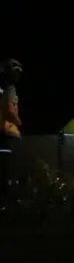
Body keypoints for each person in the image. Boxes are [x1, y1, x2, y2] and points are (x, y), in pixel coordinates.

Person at [1, 58, 23, 201]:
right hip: (7, 134)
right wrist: (18, 122)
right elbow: (10, 110)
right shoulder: (9, 88)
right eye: (17, 71)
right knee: (9, 172)